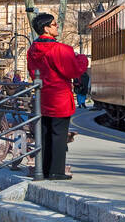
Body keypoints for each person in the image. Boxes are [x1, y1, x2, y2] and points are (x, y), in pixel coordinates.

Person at [26, 13, 89, 180]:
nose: (57, 27)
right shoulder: (61, 49)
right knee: (59, 134)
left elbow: (33, 73)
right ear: (46, 28)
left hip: (43, 96)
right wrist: (82, 59)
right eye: (54, 24)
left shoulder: (32, 50)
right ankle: (56, 171)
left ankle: (44, 169)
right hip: (59, 96)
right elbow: (74, 70)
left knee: (46, 133)